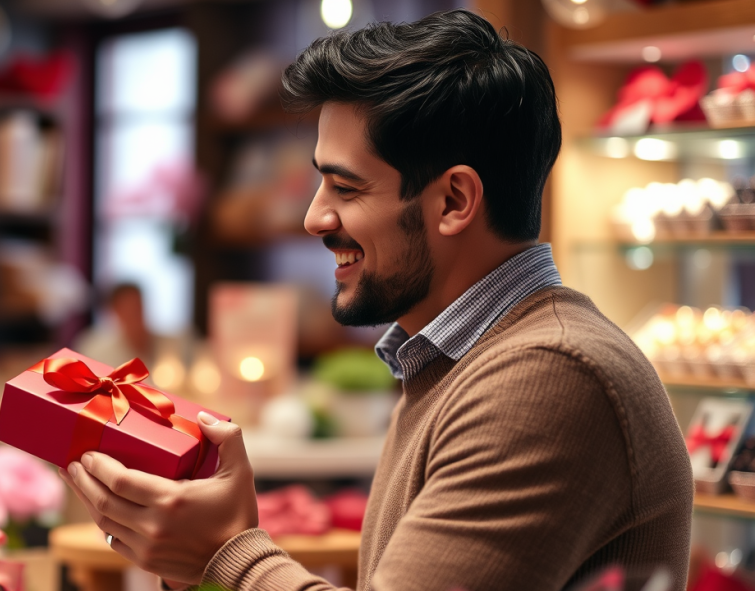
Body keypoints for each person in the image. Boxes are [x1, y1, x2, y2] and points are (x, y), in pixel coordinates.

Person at [58, 10, 693, 591]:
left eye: (346, 186)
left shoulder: (550, 374)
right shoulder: (451, 359)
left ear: (453, 202)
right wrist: (192, 558)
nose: (313, 217)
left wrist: (225, 553)